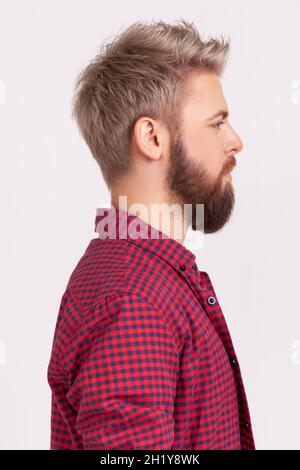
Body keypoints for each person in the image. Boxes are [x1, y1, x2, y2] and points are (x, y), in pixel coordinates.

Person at [47, 19, 255, 450]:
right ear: (152, 137)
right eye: (217, 123)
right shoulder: (132, 299)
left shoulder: (150, 279)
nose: (236, 142)